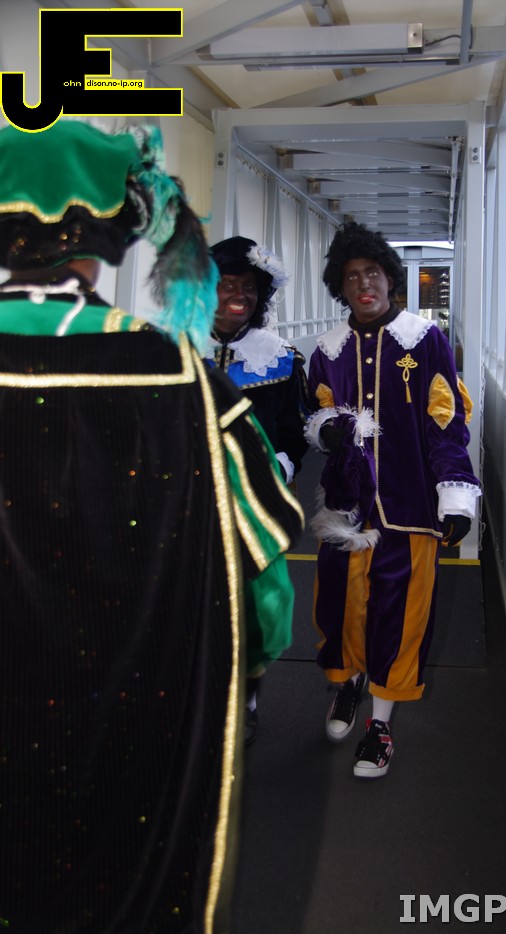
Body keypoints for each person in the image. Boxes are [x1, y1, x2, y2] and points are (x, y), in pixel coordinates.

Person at [0, 119, 303, 933]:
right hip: (134, 715)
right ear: (111, 238)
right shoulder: (182, 378)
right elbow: (262, 575)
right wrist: (248, 668)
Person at [304, 221, 481, 779]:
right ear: (340, 287)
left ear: (390, 279)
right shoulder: (326, 350)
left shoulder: (424, 341)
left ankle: (380, 724)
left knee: (399, 616)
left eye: (373, 273)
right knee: (341, 607)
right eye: (352, 276)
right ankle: (349, 684)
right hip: (347, 506)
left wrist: (456, 494)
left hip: (410, 506)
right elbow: (318, 411)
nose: (364, 284)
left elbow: (445, 420)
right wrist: (327, 429)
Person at [206, 236, 311, 745]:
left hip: (254, 503)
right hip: (190, 501)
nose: (238, 295)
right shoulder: (174, 350)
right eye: (227, 284)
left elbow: (295, 432)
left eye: (248, 286)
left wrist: (279, 469)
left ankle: (247, 700)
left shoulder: (281, 360)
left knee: (258, 603)